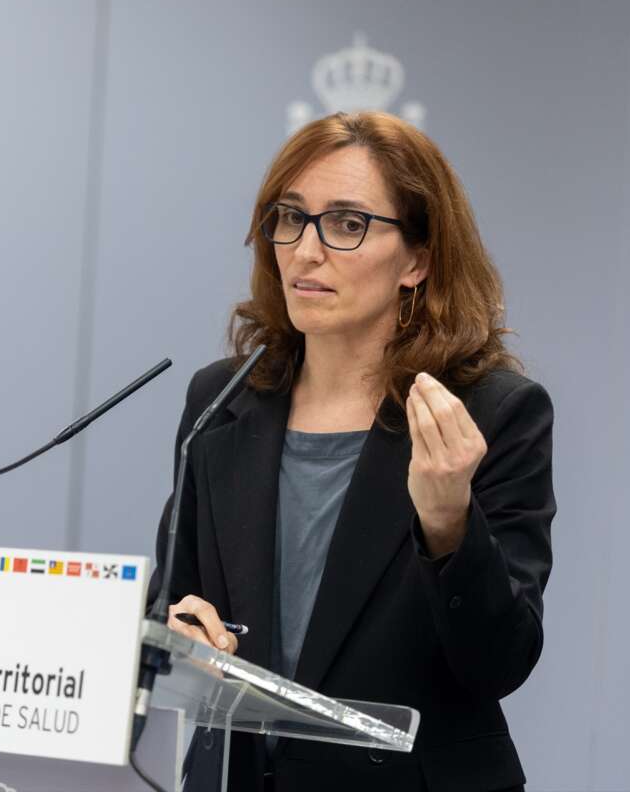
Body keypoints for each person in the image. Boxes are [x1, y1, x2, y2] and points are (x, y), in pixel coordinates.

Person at [146, 111, 555, 792]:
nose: (305, 252)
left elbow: (498, 663)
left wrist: (450, 524)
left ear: (418, 260)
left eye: (347, 224)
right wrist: (182, 633)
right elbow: (176, 600)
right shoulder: (222, 400)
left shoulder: (491, 414)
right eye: (289, 217)